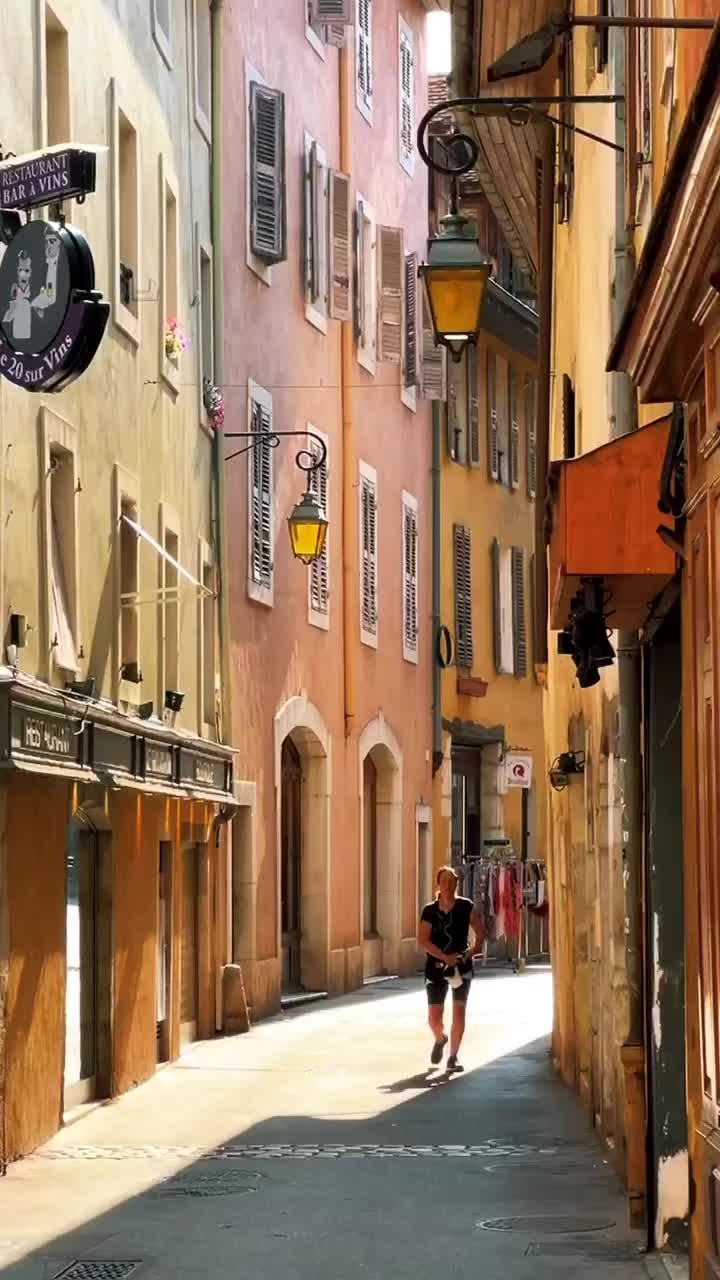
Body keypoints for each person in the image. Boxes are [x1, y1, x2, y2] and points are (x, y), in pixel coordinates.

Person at [418, 866, 485, 1072]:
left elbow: (481, 932)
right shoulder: (429, 910)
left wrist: (472, 951)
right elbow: (423, 940)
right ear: (438, 884)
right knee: (433, 1018)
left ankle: (453, 1057)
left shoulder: (466, 906)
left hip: (461, 967)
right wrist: (443, 956)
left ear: (457, 883)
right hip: (436, 967)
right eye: (444, 882)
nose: (448, 886)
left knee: (459, 1011)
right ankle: (441, 1039)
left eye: (452, 881)